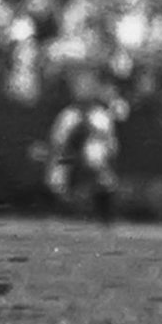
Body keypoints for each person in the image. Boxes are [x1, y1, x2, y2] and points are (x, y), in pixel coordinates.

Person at [44, 77, 126, 225]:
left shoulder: (101, 115)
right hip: (70, 159)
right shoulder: (68, 115)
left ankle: (103, 215)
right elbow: (57, 142)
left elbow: (111, 144)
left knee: (96, 156)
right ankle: (60, 212)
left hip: (95, 161)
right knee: (56, 176)